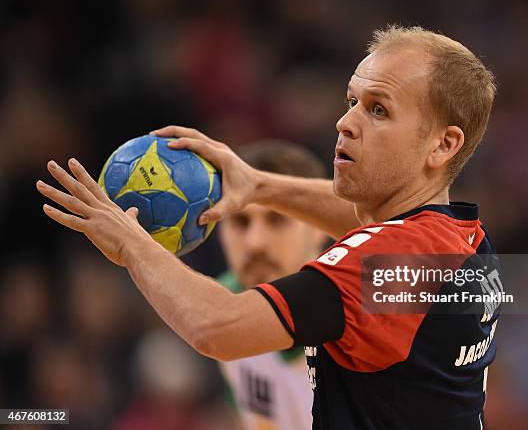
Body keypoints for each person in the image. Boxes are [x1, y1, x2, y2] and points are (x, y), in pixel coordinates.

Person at [36, 25, 498, 429]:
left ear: (443, 144)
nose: (344, 122)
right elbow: (374, 226)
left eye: (378, 110)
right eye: (352, 101)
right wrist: (257, 185)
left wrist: (131, 244)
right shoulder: (462, 239)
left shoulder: (381, 269)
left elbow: (216, 327)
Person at [217, 141, 327, 430]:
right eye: (240, 222)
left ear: (320, 227)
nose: (255, 242)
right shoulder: (219, 307)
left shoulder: (372, 308)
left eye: (277, 220)